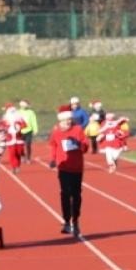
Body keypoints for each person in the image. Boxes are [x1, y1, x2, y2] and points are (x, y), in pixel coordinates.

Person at [48, 104, 86, 236]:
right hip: (63, 167)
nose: (68, 122)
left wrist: (79, 144)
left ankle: (75, 220)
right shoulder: (56, 132)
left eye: (69, 119)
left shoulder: (78, 129)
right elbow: (53, 145)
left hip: (76, 168)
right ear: (60, 121)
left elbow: (85, 146)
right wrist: (53, 159)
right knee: (65, 194)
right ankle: (66, 221)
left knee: (76, 195)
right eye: (65, 120)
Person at [1, 102, 26, 174]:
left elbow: (24, 124)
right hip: (10, 139)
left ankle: (18, 165)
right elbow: (2, 126)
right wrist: (6, 128)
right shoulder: (5, 118)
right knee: (12, 154)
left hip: (18, 139)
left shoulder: (19, 117)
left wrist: (19, 127)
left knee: (18, 153)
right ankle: (14, 167)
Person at [69, 97, 90, 162]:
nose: (74, 106)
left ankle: (78, 156)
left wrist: (81, 127)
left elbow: (86, 120)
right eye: (72, 104)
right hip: (70, 131)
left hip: (79, 131)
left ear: (78, 104)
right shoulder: (69, 112)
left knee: (79, 145)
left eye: (75, 104)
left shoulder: (82, 111)